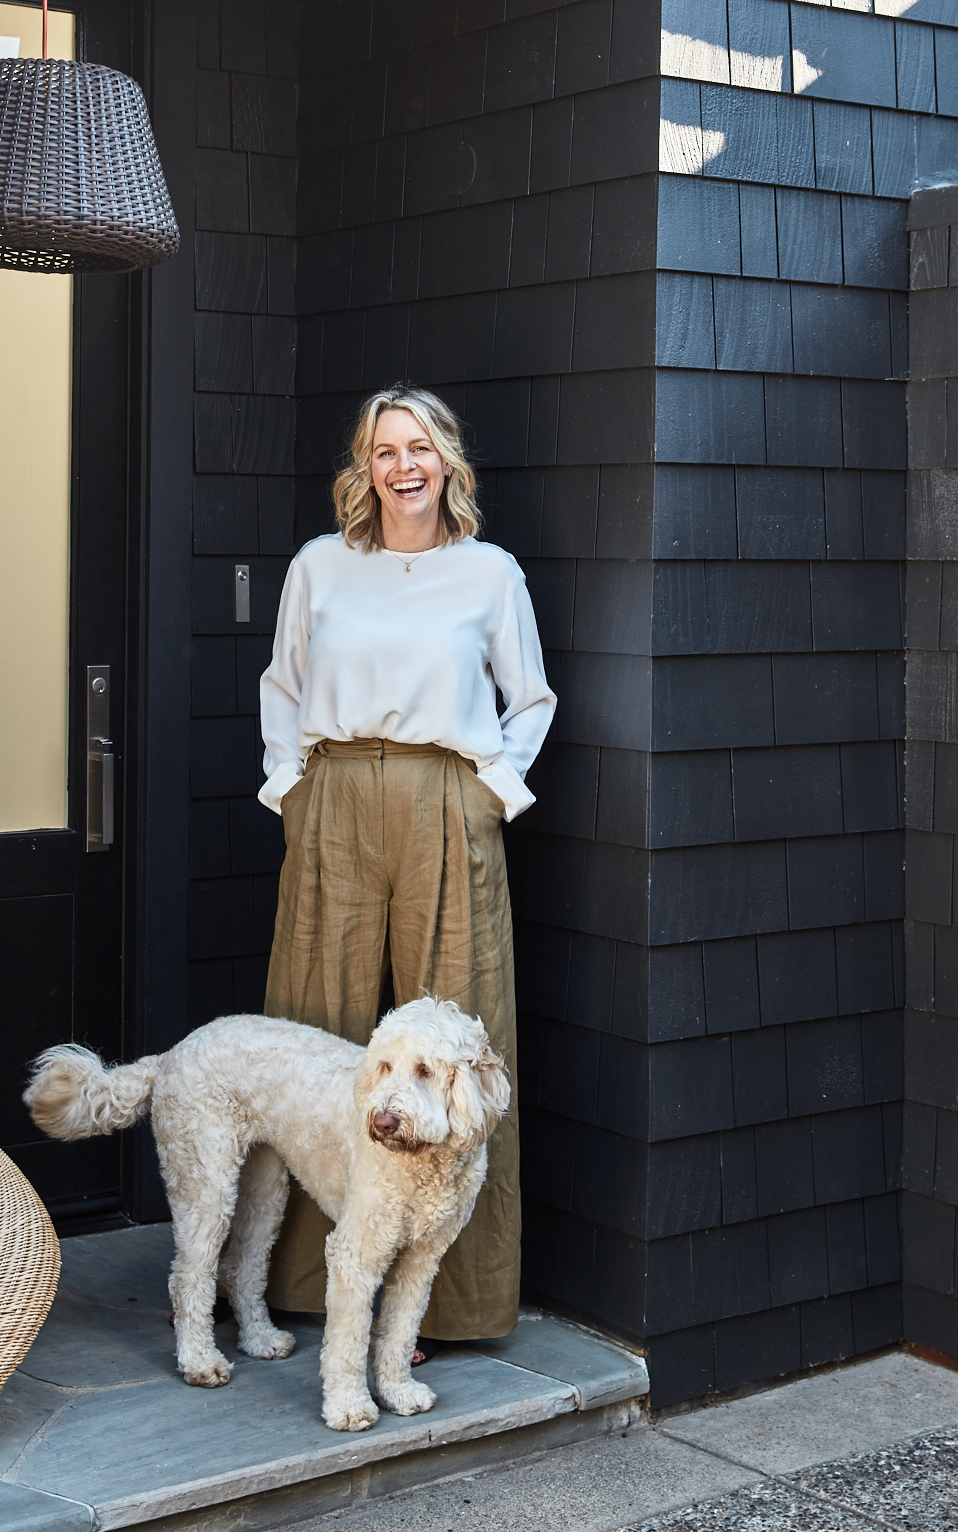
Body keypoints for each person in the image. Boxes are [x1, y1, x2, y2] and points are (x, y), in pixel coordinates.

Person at [257, 384, 556, 1342]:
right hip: (335, 793)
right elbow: (283, 685)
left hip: (444, 800)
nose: (403, 467)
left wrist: (490, 791)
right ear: (364, 468)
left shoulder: (489, 574)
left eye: (418, 448)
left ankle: (459, 1301)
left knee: (456, 1036)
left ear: (447, 462)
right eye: (385, 451)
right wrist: (291, 789)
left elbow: (532, 697)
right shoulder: (321, 567)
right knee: (319, 1025)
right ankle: (309, 1278)